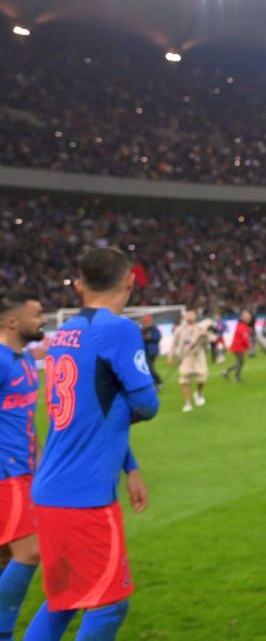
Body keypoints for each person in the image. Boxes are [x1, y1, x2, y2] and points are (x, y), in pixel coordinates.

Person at [25, 248, 157, 641]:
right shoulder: (118, 329)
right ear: (129, 280)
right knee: (109, 606)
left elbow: (90, 412)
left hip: (52, 487)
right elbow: (147, 404)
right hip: (83, 496)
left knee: (64, 601)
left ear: (81, 285)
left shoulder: (66, 331)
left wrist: (130, 466)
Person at [0, 292, 46, 639]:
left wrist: (41, 463)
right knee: (30, 552)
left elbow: (27, 419)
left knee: (5, 557)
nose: (42, 321)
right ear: (12, 322)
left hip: (26, 470)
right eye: (37, 315)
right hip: (6, 473)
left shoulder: (27, 360)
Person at [170, 310, 210, 412]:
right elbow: (173, 343)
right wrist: (170, 356)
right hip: (185, 356)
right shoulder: (179, 329)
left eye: (192, 314)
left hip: (199, 356)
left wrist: (205, 337)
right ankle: (187, 402)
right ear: (185, 317)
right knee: (185, 380)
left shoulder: (200, 328)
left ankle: (199, 392)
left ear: (196, 316)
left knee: (202, 378)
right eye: (188, 314)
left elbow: (206, 343)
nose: (190, 316)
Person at [222, 310, 253, 382]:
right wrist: (248, 347)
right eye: (249, 318)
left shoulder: (240, 325)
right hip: (238, 347)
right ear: (245, 319)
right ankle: (236, 377)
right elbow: (244, 338)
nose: (250, 320)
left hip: (236, 346)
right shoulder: (243, 326)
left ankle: (226, 372)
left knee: (239, 362)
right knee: (241, 362)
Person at [139, 315, 163, 388]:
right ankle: (154, 381)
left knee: (148, 367)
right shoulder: (142, 330)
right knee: (148, 367)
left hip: (152, 351)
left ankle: (158, 381)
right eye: (144, 321)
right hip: (144, 351)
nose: (145, 323)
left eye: (147, 321)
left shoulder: (154, 329)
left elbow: (157, 337)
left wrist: (148, 338)